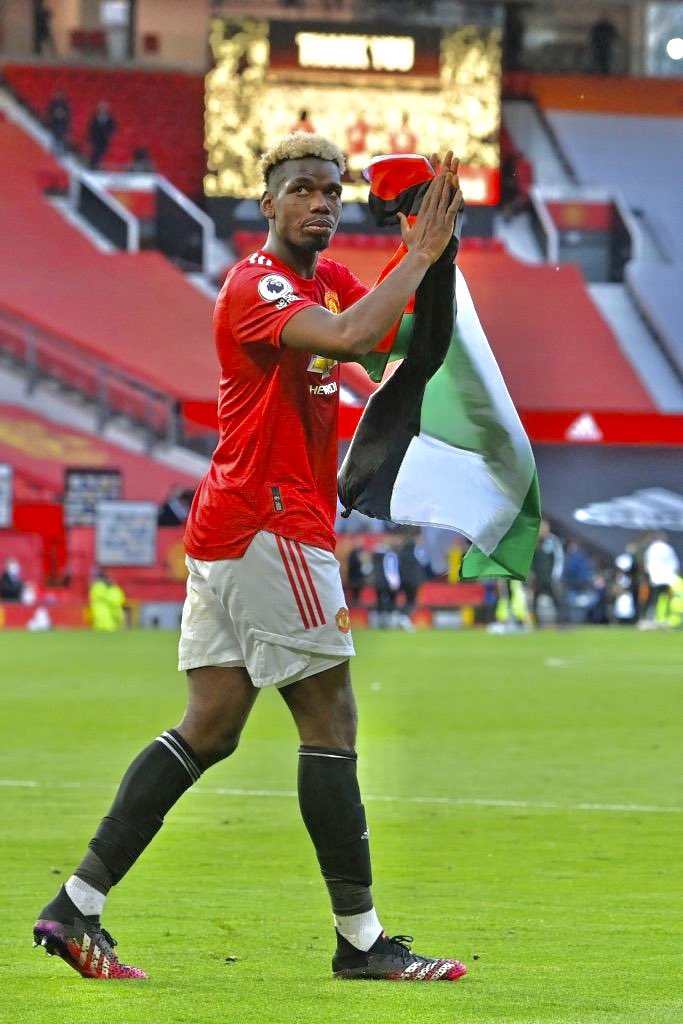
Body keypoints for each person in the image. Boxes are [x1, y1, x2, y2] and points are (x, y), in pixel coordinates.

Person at [33, 134, 467, 982]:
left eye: (333, 192)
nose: (322, 204)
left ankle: (74, 907)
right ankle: (360, 941)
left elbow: (409, 343)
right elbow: (348, 340)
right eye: (302, 190)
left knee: (212, 726)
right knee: (330, 722)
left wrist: (434, 246)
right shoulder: (256, 284)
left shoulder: (327, 280)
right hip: (271, 522)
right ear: (266, 205)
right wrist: (414, 256)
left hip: (235, 524)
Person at [530, 519, 565, 625]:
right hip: (538, 578)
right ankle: (535, 623)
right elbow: (531, 560)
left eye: (544, 527)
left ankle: (562, 622)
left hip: (551, 578)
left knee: (557, 600)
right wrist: (532, 573)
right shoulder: (534, 542)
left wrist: (556, 575)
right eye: (541, 528)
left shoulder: (554, 542)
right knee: (534, 601)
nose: (542, 530)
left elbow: (559, 559)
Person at [641, 531, 680, 627]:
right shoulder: (668, 548)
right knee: (665, 599)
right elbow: (674, 564)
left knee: (652, 600)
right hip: (667, 578)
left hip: (654, 578)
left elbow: (646, 563)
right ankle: (663, 620)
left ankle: (649, 620)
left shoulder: (652, 548)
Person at [87, 101, 116, 169]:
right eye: (101, 108)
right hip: (95, 139)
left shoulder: (110, 118)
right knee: (95, 153)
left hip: (104, 140)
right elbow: (91, 128)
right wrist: (91, 138)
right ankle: (92, 165)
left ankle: (97, 165)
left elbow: (113, 128)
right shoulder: (95, 117)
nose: (103, 110)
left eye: (104, 108)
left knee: (101, 153)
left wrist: (108, 134)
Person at [46, 91, 71, 157]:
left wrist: (62, 115)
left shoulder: (66, 105)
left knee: (61, 138)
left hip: (63, 124)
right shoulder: (53, 103)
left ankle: (59, 151)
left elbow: (68, 114)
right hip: (55, 122)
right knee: (55, 137)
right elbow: (49, 111)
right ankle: (53, 149)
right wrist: (55, 114)